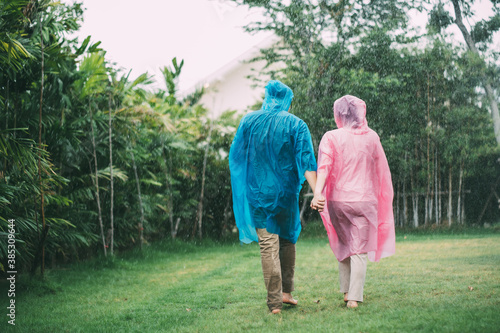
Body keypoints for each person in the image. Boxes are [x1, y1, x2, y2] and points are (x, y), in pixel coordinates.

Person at [229, 80, 324, 314]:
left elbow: (236, 156)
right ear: (287, 102)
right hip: (285, 194)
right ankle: (286, 293)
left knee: (267, 245)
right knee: (287, 240)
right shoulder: (296, 124)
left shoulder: (248, 121)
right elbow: (306, 161)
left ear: (267, 97)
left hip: (258, 194)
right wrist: (318, 192)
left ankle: (274, 304)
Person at [311, 95, 395, 309]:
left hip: (338, 200)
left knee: (345, 244)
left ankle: (347, 291)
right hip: (365, 200)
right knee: (359, 249)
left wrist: (318, 192)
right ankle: (354, 298)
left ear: (339, 114)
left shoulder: (331, 136)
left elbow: (324, 166)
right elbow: (381, 172)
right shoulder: (372, 137)